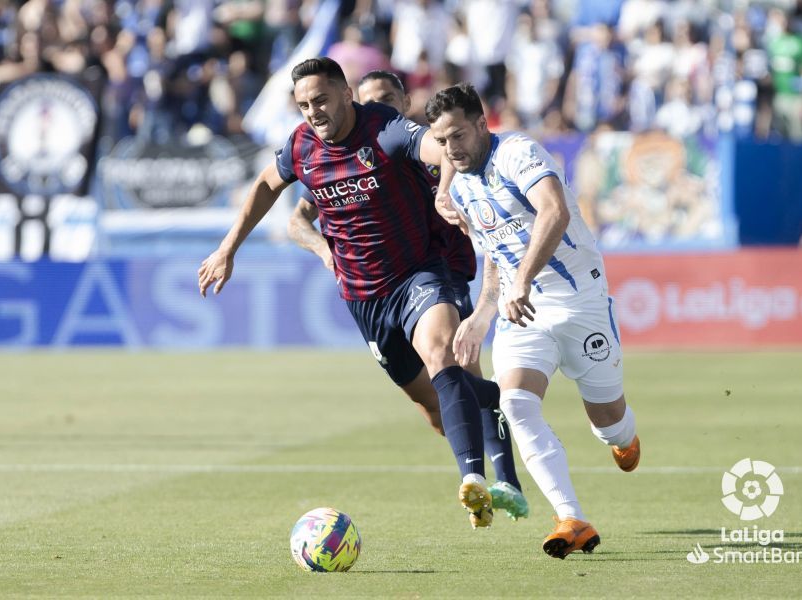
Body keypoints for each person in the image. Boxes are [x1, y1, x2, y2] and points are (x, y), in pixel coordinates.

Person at [198, 58, 499, 528]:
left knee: (441, 352)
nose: (313, 111)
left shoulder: (385, 129)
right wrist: (227, 248)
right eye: (303, 105)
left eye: (320, 99)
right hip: (364, 296)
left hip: (418, 273)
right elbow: (265, 185)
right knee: (432, 405)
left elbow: (440, 150)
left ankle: (474, 480)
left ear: (345, 93)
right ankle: (489, 401)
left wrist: (444, 191)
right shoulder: (301, 146)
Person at [286, 69, 529, 521]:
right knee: (436, 406)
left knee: (453, 360)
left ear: (404, 102)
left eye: (386, 98)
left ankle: (501, 481)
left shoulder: (426, 145)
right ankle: (487, 409)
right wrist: (323, 249)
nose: (377, 107)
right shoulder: (352, 154)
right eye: (369, 99)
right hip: (378, 288)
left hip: (440, 267)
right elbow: (298, 217)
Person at [425, 82, 641, 559]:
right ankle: (571, 518)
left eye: (458, 135)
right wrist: (482, 314)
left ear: (481, 124)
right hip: (522, 311)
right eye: (441, 141)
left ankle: (622, 436)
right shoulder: (460, 186)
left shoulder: (517, 152)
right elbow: (496, 254)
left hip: (580, 301)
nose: (450, 149)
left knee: (609, 424)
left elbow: (555, 211)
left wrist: (523, 278)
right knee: (516, 404)